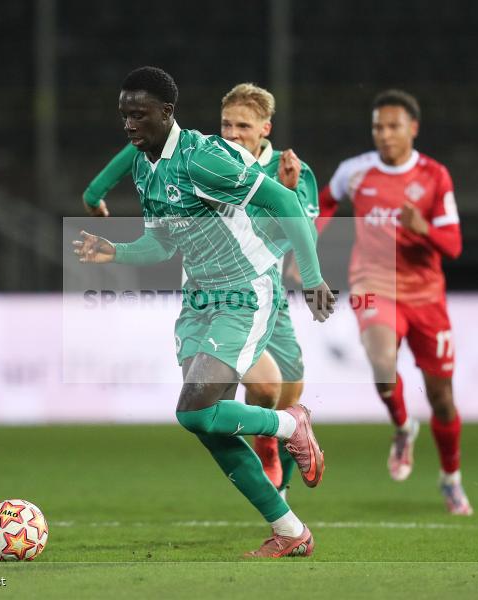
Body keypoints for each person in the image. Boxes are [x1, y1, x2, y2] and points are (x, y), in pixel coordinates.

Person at [73, 67, 336, 557]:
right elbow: (159, 243)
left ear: (167, 112)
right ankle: (292, 533)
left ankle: (289, 424)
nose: (129, 124)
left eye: (139, 113)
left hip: (242, 293)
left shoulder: (201, 158)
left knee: (193, 408)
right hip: (197, 301)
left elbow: (283, 201)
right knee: (205, 423)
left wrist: (315, 277)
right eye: (124, 114)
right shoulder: (144, 165)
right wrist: (116, 251)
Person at [315, 89, 472, 515]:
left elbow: (453, 245)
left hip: (426, 296)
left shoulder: (435, 176)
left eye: (393, 126)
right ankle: (403, 428)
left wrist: (422, 227)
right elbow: (326, 201)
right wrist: (310, 240)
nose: (384, 135)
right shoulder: (355, 171)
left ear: (413, 129)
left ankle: (450, 479)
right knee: (383, 365)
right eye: (378, 127)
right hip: (373, 284)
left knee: (442, 398)